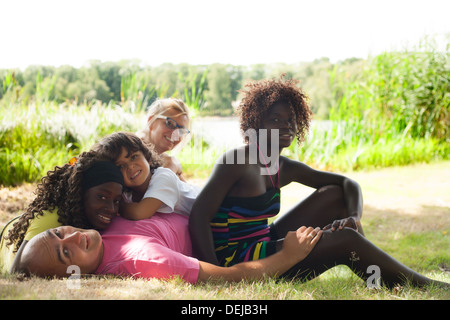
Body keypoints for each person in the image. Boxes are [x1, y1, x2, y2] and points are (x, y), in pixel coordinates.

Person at [188, 76, 447, 288]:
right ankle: (427, 286)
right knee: (344, 239)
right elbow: (199, 216)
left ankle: (375, 279)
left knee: (334, 195)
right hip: (237, 258)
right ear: (255, 123)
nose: (286, 126)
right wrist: (218, 276)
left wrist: (354, 216)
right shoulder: (237, 161)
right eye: (275, 120)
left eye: (290, 120)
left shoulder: (284, 167)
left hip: (264, 240)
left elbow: (347, 184)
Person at [11, 213, 323, 284]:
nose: (71, 238)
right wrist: (289, 256)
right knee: (336, 240)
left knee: (333, 193)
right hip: (238, 240)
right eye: (65, 253)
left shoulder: (99, 224)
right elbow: (228, 277)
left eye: (58, 233)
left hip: (236, 216)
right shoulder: (145, 260)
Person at [0, 152, 124, 273]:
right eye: (101, 197)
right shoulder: (52, 218)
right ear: (80, 193)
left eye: (117, 201)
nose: (112, 208)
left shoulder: (89, 221)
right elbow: (17, 272)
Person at [91, 131, 199, 221]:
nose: (130, 167)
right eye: (121, 166)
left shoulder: (163, 177)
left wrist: (118, 206)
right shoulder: (128, 194)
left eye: (133, 157)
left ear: (148, 158)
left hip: (210, 210)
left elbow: (139, 213)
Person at [137, 98, 191, 181]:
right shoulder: (131, 152)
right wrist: (171, 167)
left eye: (181, 131)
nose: (175, 134)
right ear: (151, 120)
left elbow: (189, 192)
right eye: (170, 123)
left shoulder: (164, 158)